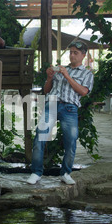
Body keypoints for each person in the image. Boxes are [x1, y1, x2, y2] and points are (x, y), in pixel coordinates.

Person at [28, 41, 94, 185]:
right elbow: (46, 90)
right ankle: (36, 172)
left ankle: (65, 173)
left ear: (83, 55)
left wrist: (67, 76)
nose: (72, 55)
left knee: (70, 140)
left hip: (70, 107)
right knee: (40, 135)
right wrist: (49, 78)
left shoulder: (87, 74)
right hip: (51, 103)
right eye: (70, 52)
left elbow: (83, 92)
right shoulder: (60, 69)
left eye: (75, 53)